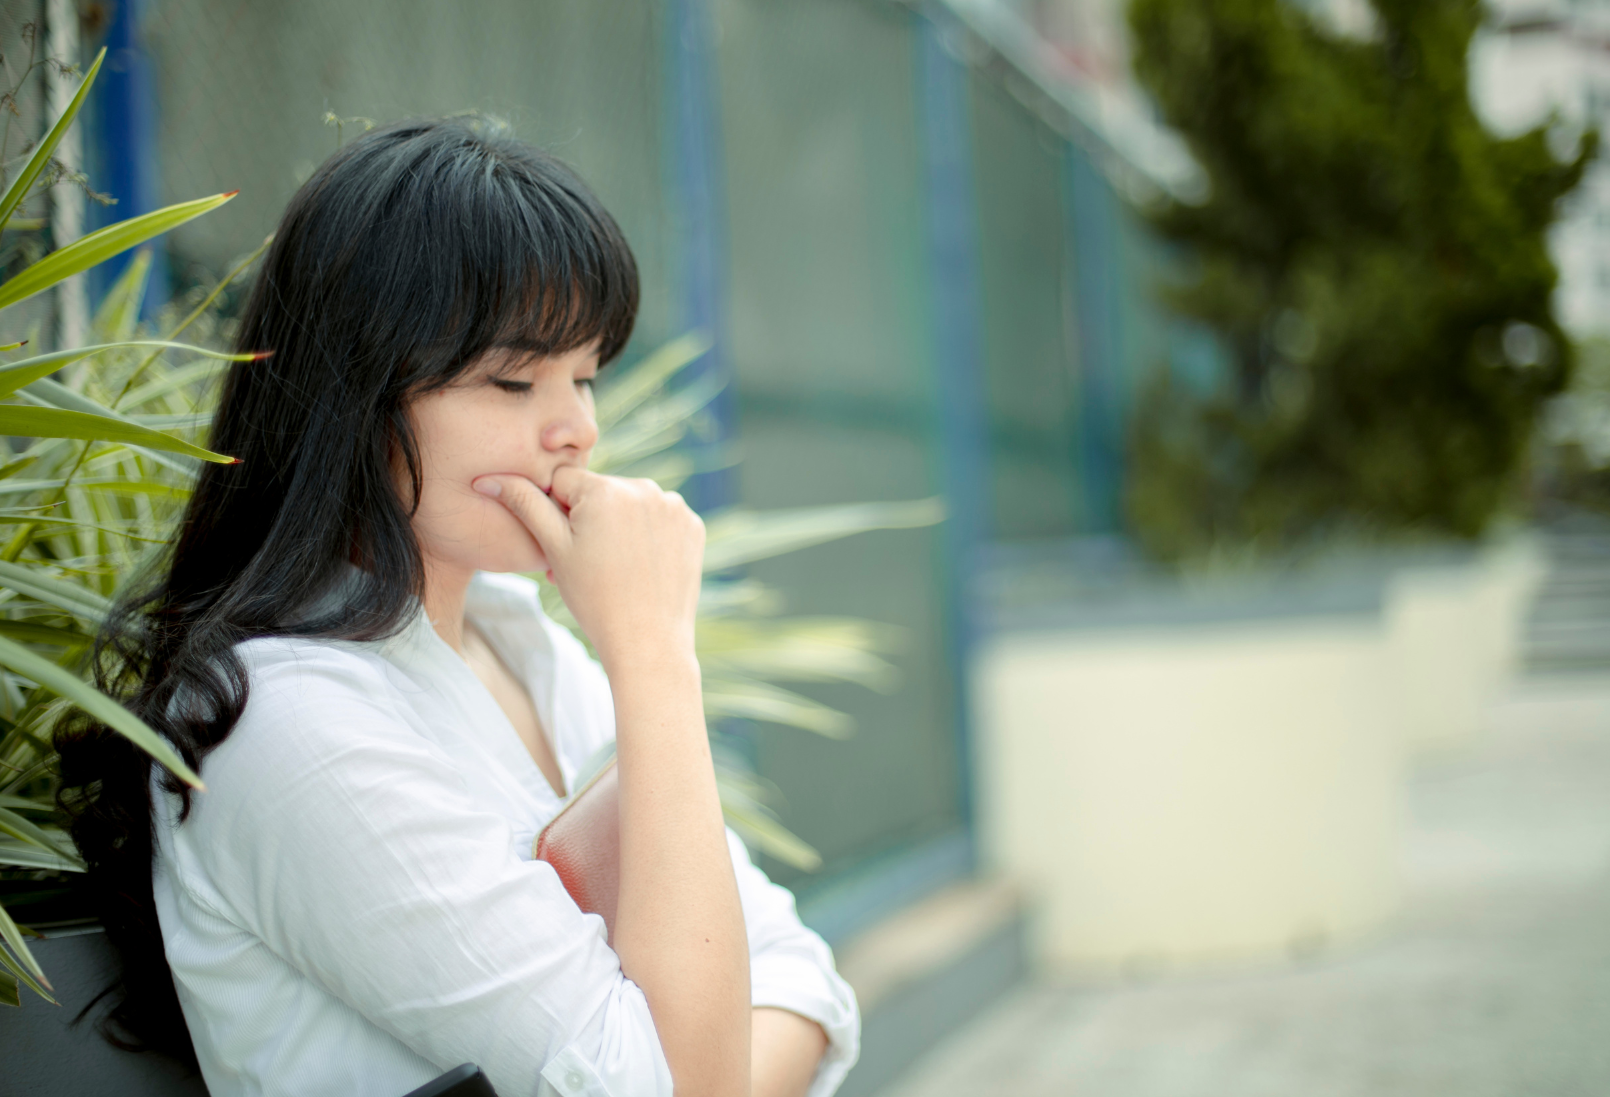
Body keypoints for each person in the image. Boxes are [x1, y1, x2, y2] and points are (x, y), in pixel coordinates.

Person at [56, 117, 859, 1097]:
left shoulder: (530, 648)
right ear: (355, 394)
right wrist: (652, 655)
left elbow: (801, 971)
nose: (576, 428)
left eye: (586, 374)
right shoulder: (291, 723)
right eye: (513, 379)